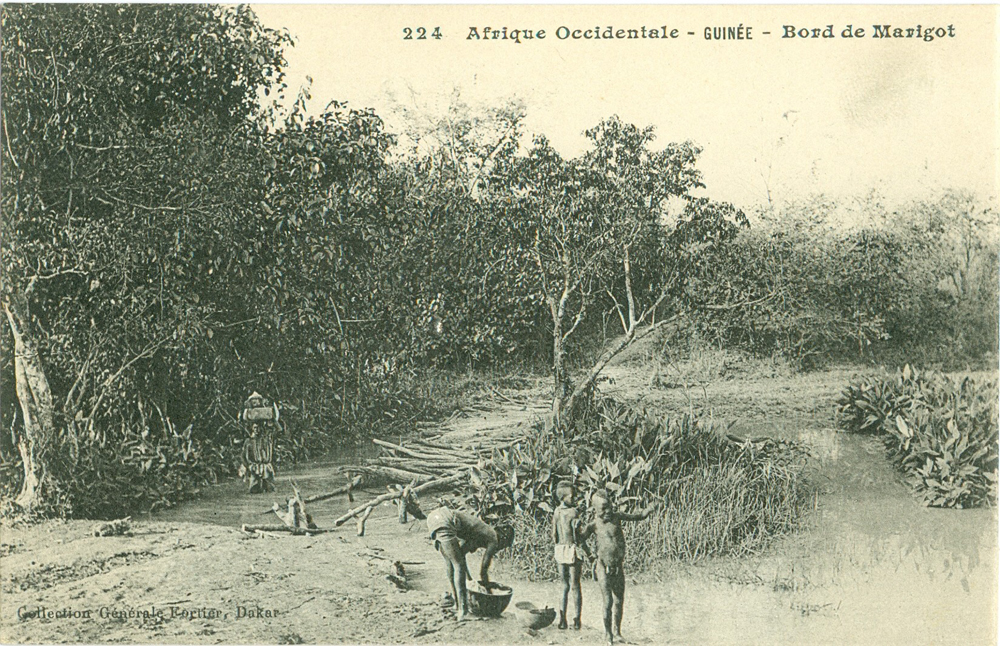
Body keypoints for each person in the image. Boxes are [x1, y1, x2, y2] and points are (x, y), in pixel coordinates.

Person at [578, 489, 659, 646]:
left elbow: (639, 516)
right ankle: (608, 636)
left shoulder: (617, 517)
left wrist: (650, 508)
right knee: (607, 602)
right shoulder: (594, 525)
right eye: (603, 509)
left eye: (609, 506)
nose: (607, 511)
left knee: (619, 601)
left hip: (617, 567)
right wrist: (590, 556)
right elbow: (581, 539)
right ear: (594, 509)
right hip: (603, 567)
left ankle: (617, 632)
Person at [426, 506, 512, 621]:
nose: (499, 549)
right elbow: (483, 572)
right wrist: (489, 592)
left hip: (434, 517)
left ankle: (458, 605)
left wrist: (470, 580)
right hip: (446, 520)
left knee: (451, 562)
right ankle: (463, 611)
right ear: (504, 539)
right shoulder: (493, 538)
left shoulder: (479, 533)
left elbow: (461, 554)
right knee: (458, 565)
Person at [551, 480, 588, 630]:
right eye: (572, 497)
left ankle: (562, 620)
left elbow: (554, 535)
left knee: (563, 585)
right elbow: (578, 535)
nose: (574, 499)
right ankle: (577, 619)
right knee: (575, 585)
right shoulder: (574, 512)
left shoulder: (557, 512)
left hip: (560, 549)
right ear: (563, 497)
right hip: (572, 549)